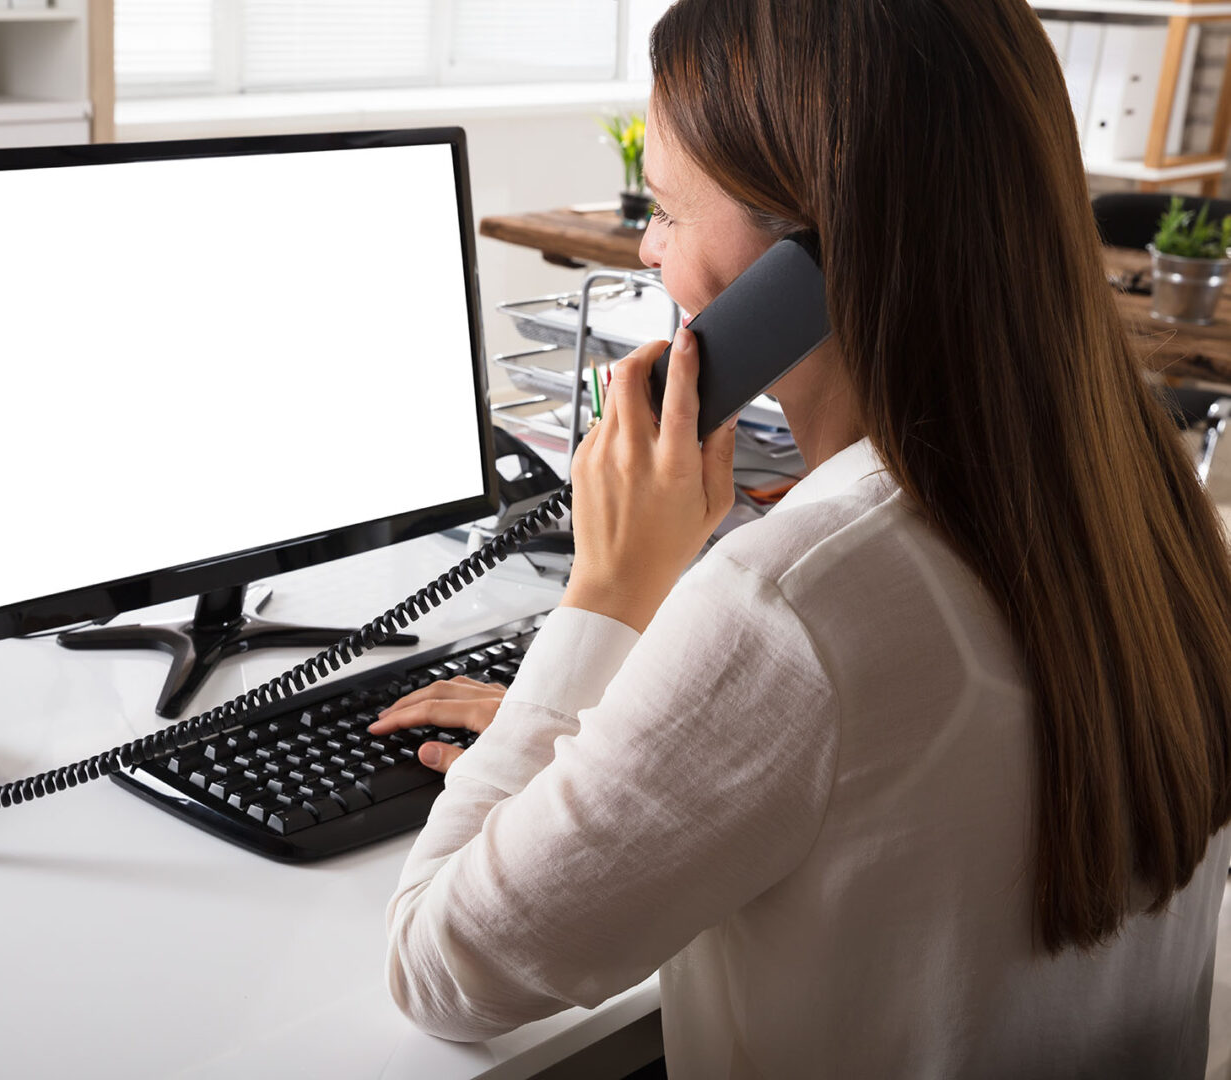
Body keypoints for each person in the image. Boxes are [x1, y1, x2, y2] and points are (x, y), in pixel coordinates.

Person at [371, 1, 1231, 1075]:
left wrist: (608, 591)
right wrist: (638, 737)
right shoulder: (1148, 499)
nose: (646, 246)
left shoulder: (789, 607)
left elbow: (442, 968)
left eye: (672, 213)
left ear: (811, 259)